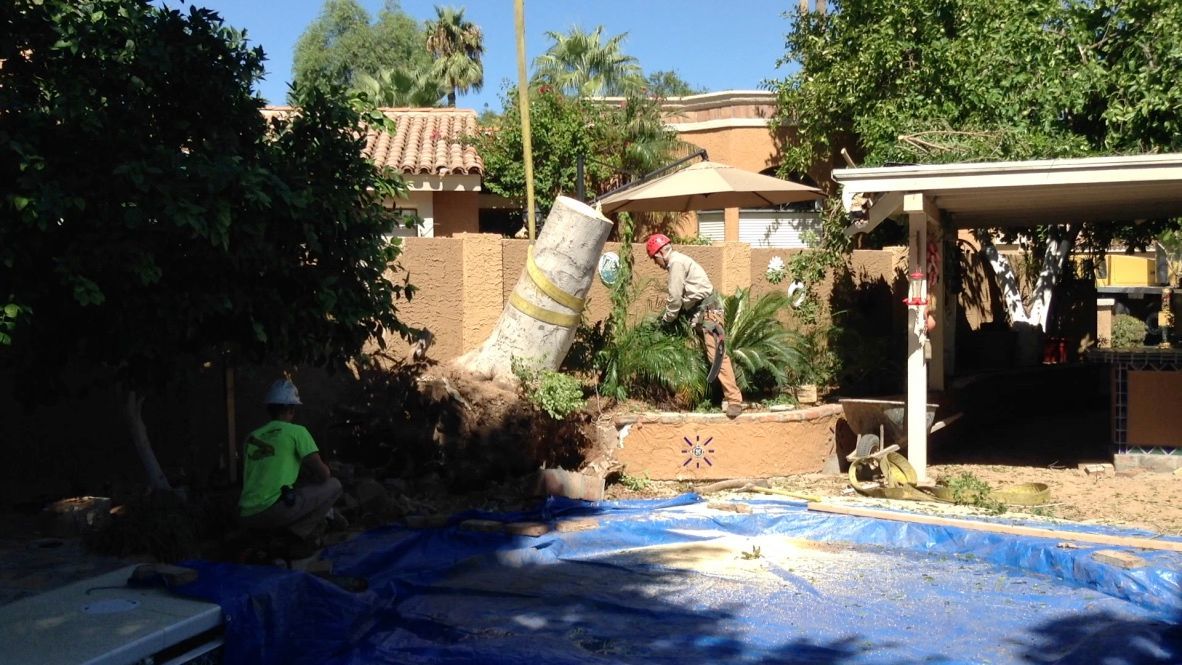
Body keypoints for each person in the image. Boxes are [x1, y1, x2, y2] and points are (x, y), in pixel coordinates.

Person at [646, 233, 745, 418]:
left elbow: (675, 298)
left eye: (654, 259)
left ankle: (735, 401)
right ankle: (718, 396)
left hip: (709, 314)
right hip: (703, 314)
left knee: (717, 355)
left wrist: (667, 320)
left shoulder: (675, 263)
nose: (655, 264)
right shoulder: (679, 261)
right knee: (708, 355)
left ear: (659, 253)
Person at [238, 378, 344, 542]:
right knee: (334, 485)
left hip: (245, 515)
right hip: (273, 513)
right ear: (291, 409)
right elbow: (324, 474)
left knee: (297, 490)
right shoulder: (297, 432)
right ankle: (298, 535)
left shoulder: (251, 437)